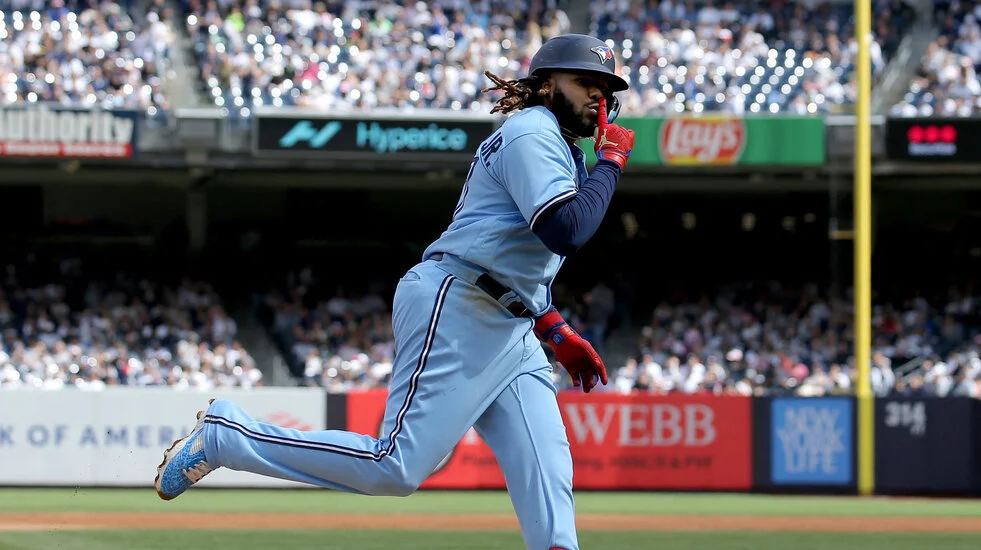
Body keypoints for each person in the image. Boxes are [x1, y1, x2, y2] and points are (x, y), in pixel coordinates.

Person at [154, 33, 635, 550]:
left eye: (606, 88)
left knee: (547, 472)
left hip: (510, 322)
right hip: (460, 303)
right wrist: (610, 164)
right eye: (586, 81)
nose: (598, 97)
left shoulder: (556, 145)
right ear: (545, 85)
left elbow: (515, 255)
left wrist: (554, 329)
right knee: (396, 467)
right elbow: (565, 230)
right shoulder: (533, 131)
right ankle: (229, 437)